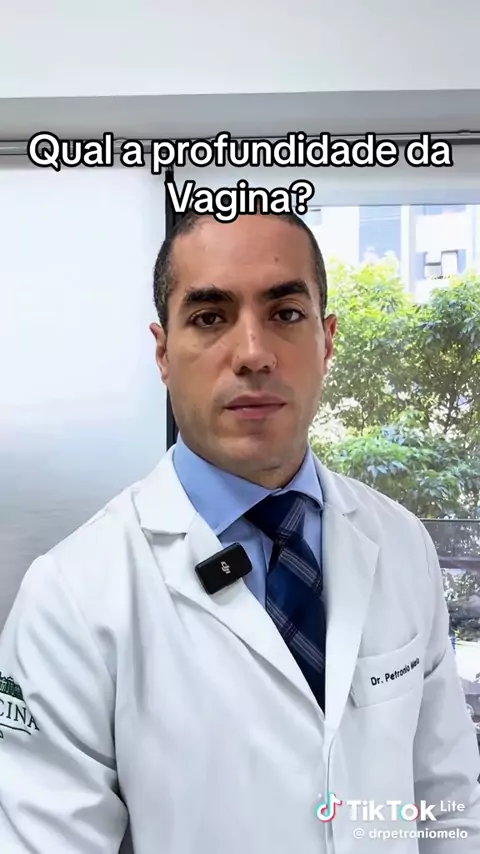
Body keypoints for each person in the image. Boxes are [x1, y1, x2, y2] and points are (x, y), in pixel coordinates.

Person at [0, 209, 479, 854]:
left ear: (327, 341)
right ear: (163, 353)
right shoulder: (72, 597)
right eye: (209, 317)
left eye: (286, 313)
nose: (253, 353)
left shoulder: (401, 544)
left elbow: (448, 801)